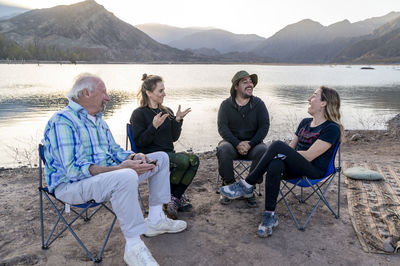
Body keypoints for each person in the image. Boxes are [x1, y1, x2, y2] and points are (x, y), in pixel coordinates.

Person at [42, 73, 187, 266]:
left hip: (103, 179)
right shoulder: (63, 122)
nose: (108, 98)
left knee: (160, 158)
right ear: (86, 93)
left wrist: (134, 157)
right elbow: (73, 171)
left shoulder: (98, 121)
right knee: (126, 175)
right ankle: (134, 247)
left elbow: (115, 151)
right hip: (71, 187)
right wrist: (119, 168)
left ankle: (155, 218)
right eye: (104, 93)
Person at [220, 86, 344, 237]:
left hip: (313, 170)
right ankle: (269, 215)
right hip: (295, 167)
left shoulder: (332, 128)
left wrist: (282, 152)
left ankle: (247, 184)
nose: (309, 99)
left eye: (314, 96)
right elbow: (290, 148)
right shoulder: (305, 123)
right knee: (275, 164)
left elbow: (310, 156)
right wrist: (281, 154)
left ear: (324, 103)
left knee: (278, 145)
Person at [130, 74, 199, 219]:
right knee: (184, 161)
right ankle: (173, 198)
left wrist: (178, 120)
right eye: (160, 91)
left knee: (194, 160)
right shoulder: (139, 114)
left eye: (164, 90)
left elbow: (174, 137)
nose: (164, 94)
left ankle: (174, 198)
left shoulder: (167, 111)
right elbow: (139, 143)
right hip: (151, 156)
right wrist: (153, 126)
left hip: (169, 154)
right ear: (149, 93)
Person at [217, 70, 270, 207]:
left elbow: (264, 127)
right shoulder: (225, 105)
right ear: (236, 86)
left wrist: (250, 144)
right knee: (223, 149)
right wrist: (237, 143)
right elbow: (222, 128)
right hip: (232, 144)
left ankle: (248, 187)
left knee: (263, 150)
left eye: (251, 82)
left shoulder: (259, 104)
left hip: (253, 145)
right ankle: (228, 185)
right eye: (245, 82)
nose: (250, 84)